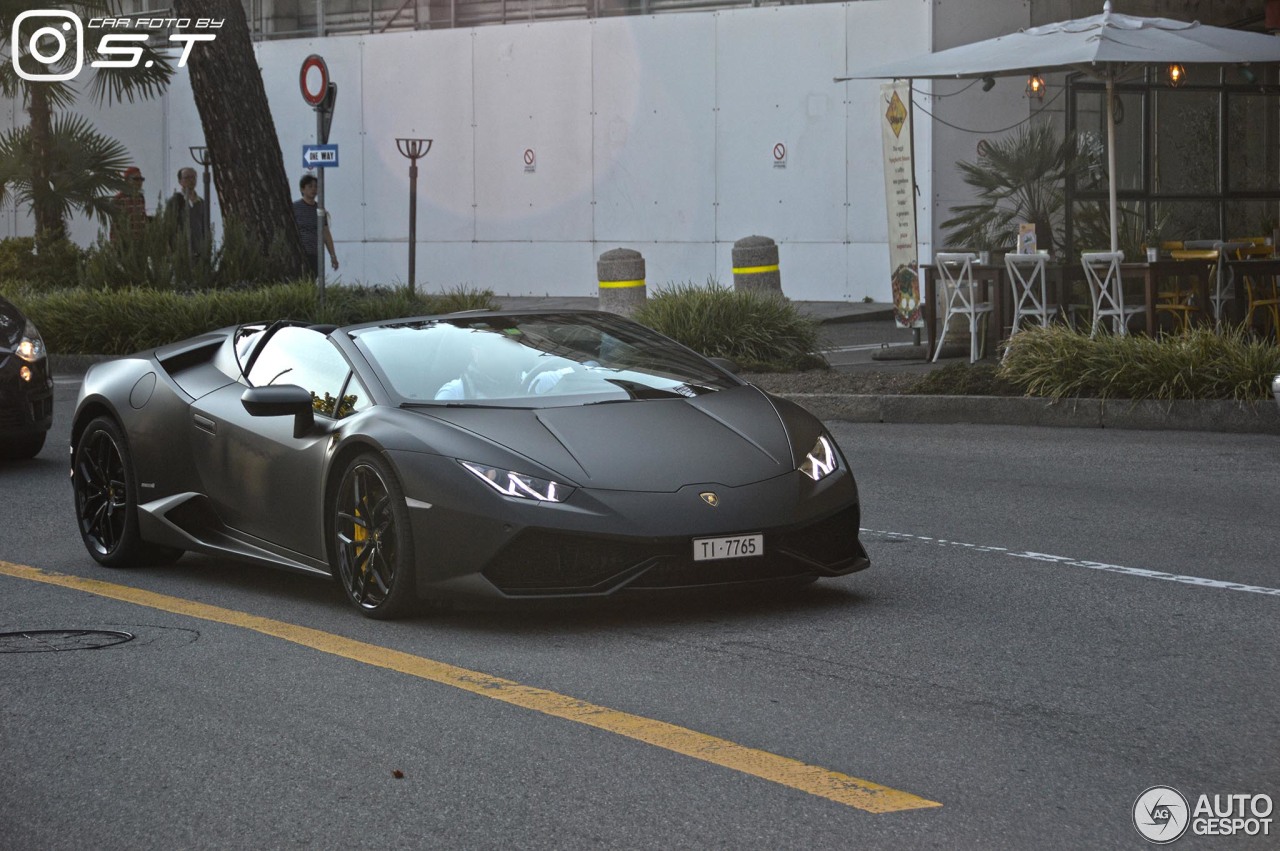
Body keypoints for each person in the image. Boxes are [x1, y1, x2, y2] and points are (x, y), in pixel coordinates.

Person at [292, 174, 338, 278]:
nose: (313, 189)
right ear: (302, 189)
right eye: (310, 186)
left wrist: (333, 256)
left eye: (316, 186)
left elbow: (326, 233)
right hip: (299, 253)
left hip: (315, 254)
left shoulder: (320, 209)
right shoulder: (295, 207)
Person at [164, 167, 209, 261]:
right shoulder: (175, 201)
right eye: (187, 177)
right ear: (180, 181)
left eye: (193, 177)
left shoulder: (201, 202)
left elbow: (205, 226)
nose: (191, 180)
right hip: (180, 251)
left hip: (199, 251)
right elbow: (167, 226)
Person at [110, 166, 148, 243]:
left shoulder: (140, 198)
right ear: (127, 181)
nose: (139, 182)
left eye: (141, 179)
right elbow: (115, 226)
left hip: (139, 243)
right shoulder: (118, 199)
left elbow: (143, 219)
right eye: (136, 179)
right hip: (124, 244)